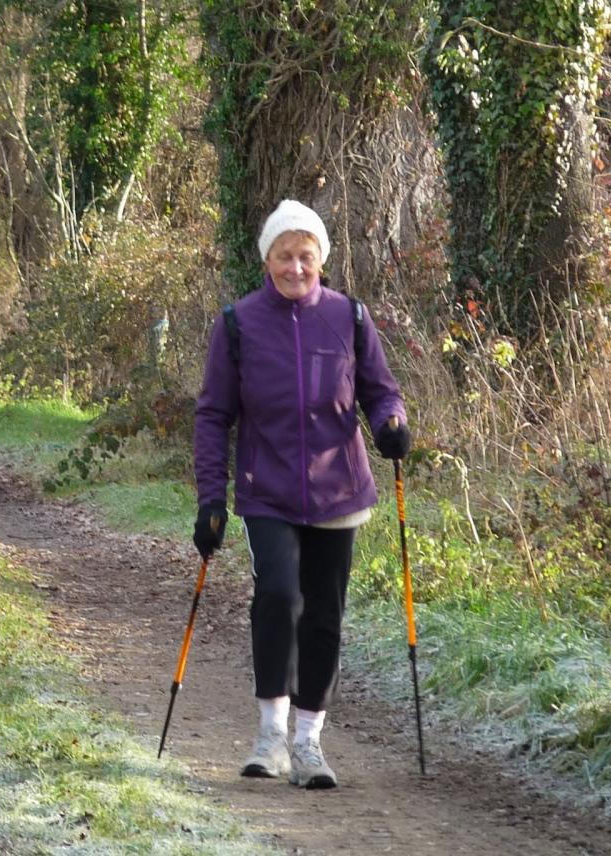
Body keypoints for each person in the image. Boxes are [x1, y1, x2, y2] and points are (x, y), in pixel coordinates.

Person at [192, 199, 409, 789]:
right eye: (284, 256)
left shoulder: (350, 318)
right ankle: (271, 737)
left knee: (325, 615)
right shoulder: (238, 323)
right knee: (280, 597)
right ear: (267, 260)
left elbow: (381, 391)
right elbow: (213, 415)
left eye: (305, 256)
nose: (295, 268)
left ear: (321, 260)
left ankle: (309, 743)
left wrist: (391, 424)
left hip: (341, 489)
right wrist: (211, 497)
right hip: (268, 490)